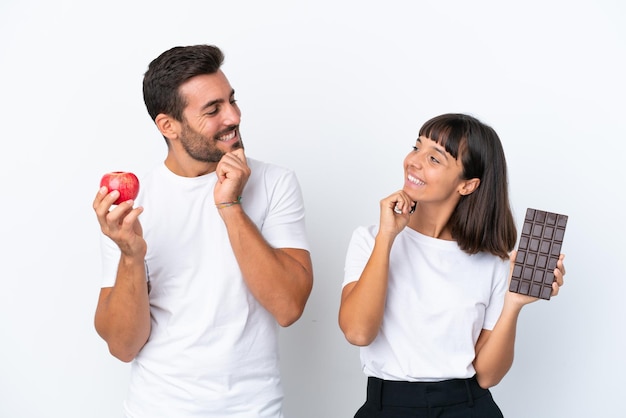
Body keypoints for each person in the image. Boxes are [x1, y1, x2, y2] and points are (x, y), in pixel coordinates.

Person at [92, 44, 313, 418]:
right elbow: (123, 345)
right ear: (168, 126)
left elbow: (288, 307)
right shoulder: (131, 203)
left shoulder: (275, 183)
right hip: (156, 408)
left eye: (231, 100)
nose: (233, 116)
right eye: (213, 110)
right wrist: (131, 256)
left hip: (253, 409)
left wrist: (230, 206)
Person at [338, 113, 566, 417]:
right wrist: (387, 237)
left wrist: (513, 304)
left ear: (468, 185)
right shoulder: (371, 239)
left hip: (467, 407)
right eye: (416, 147)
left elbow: (488, 376)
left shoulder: (492, 262)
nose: (414, 161)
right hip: (387, 405)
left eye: (434, 158)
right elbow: (357, 333)